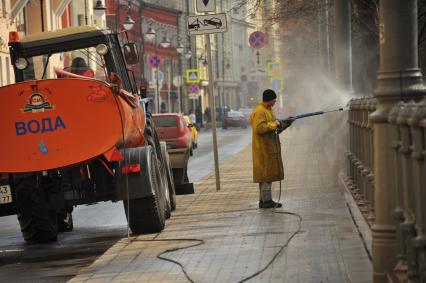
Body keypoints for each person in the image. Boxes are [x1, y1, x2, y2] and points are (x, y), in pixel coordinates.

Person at [249, 89, 293, 208]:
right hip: (263, 150)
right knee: (266, 176)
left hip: (268, 148)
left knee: (265, 176)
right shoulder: (260, 111)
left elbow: (274, 127)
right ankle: (267, 202)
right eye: (274, 100)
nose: (275, 102)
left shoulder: (268, 110)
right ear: (269, 99)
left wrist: (286, 123)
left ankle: (263, 201)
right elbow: (259, 128)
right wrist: (275, 124)